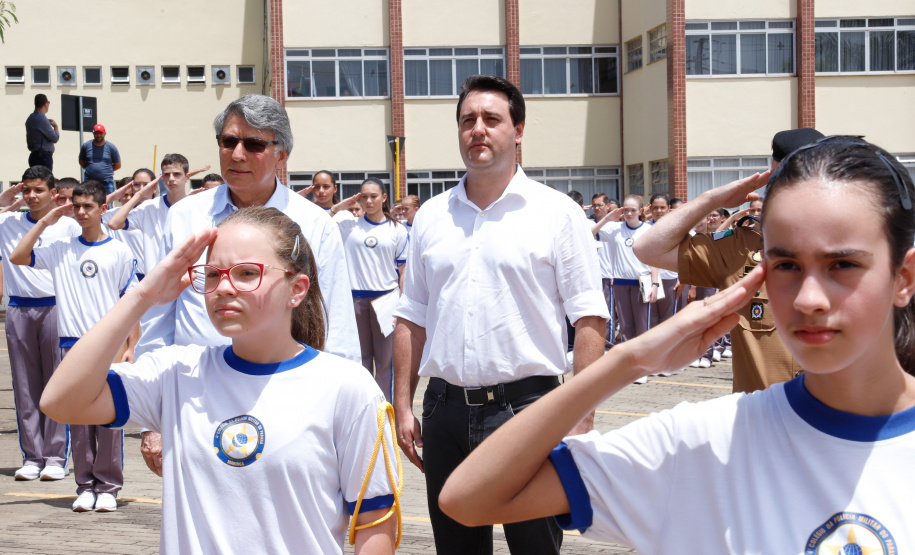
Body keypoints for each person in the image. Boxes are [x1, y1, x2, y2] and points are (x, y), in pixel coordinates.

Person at [439, 136, 915, 552]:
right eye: (785, 265)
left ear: (904, 277)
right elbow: (470, 497)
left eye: (843, 265)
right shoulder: (705, 442)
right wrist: (627, 360)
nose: (809, 299)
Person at [40, 207, 399, 554]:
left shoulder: (346, 387)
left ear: (297, 288)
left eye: (246, 273)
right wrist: (142, 296)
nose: (224, 287)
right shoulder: (178, 372)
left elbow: (375, 521)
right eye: (212, 274)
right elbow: (61, 401)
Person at [393, 75, 608, 555]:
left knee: (534, 547)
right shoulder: (431, 215)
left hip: (527, 410)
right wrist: (404, 404)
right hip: (445, 412)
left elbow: (590, 317)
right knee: (456, 547)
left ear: (518, 130)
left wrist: (581, 414)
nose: (478, 130)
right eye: (468, 120)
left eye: (492, 119)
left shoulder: (556, 213)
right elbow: (411, 316)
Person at [136, 94, 360, 475]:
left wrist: (342, 423)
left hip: (286, 407)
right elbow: (158, 322)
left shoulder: (313, 225)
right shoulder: (185, 217)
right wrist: (151, 421)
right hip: (196, 404)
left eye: (254, 144)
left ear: (282, 155)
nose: (237, 154)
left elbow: (335, 325)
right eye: (228, 142)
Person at [633, 128, 825, 393]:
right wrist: (711, 199)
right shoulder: (741, 245)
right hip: (759, 426)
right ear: (773, 178)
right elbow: (648, 248)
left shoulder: (855, 248)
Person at [11, 180, 137, 512]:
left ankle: (108, 485)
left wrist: (131, 345)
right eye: (76, 206)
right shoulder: (61, 248)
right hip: (71, 344)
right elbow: (18, 255)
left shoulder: (120, 251)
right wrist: (44, 221)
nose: (81, 212)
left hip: (107, 345)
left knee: (108, 417)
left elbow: (133, 302)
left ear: (102, 209)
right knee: (79, 417)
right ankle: (85, 485)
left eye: (88, 207)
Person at [0, 166, 80, 482]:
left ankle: (55, 456)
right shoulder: (8, 222)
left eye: (39, 190)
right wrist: (5, 200)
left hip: (56, 309)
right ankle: (32, 456)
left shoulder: (68, 228)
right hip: (19, 309)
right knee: (24, 386)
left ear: (53, 193)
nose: (32, 196)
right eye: (26, 191)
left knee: (56, 385)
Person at [335, 178, 408, 401]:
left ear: (384, 198)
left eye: (373, 196)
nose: (368, 201)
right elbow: (321, 221)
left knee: (386, 362)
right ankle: (364, 408)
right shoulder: (348, 226)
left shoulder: (398, 230)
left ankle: (384, 412)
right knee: (361, 359)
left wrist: (401, 307)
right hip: (355, 301)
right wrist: (341, 206)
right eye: (363, 196)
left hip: (386, 301)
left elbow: (403, 270)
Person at [592, 195, 659, 352]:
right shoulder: (615, 229)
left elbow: (653, 260)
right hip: (620, 283)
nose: (629, 214)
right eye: (626, 210)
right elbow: (591, 232)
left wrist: (655, 284)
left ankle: (644, 361)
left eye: (633, 210)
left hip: (642, 282)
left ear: (640, 211)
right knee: (625, 325)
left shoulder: (648, 230)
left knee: (642, 324)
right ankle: (630, 362)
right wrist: (608, 218)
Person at [591, 194, 619, 347]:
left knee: (609, 313)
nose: (597, 208)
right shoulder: (589, 223)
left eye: (600, 205)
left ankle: (608, 344)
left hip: (609, 275)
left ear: (608, 206)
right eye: (594, 205)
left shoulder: (615, 226)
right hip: (593, 275)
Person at [78, 124, 121, 194]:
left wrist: (105, 171)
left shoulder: (111, 147)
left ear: (105, 133)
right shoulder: (86, 146)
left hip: (107, 181)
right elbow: (81, 161)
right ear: (93, 133)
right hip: (89, 181)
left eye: (100, 133)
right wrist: (91, 169)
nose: (98, 135)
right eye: (96, 133)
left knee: (108, 203)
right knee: (89, 201)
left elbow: (118, 165)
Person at [25, 94, 59, 170]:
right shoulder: (41, 119)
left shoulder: (30, 119)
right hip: (43, 156)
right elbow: (54, 138)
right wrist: (56, 127)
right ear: (45, 104)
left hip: (34, 154)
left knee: (35, 179)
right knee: (45, 180)